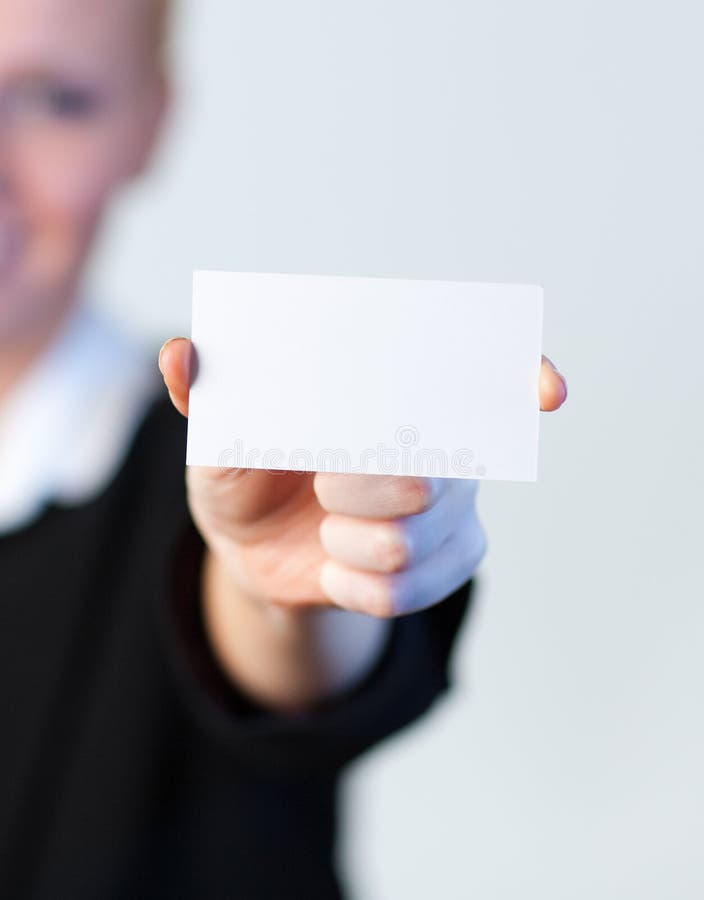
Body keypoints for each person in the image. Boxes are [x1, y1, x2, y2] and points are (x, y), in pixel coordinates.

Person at [0, 1, 568, 897]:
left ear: (148, 125)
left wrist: (287, 601)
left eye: (55, 98)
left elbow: (271, 649)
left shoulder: (207, 462)